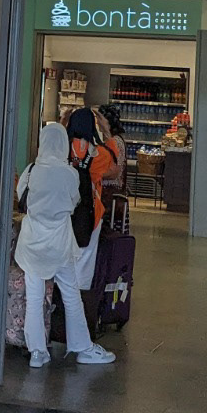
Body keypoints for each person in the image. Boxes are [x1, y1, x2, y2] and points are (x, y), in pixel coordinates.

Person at [14, 121, 117, 367]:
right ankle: (82, 348)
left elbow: (21, 198)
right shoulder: (70, 174)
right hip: (59, 244)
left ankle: (37, 352)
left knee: (34, 298)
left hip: (32, 244)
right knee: (71, 295)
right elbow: (73, 203)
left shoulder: (31, 171)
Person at [65, 106, 119, 292]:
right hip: (91, 213)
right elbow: (115, 165)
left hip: (63, 212)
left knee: (62, 259)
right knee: (84, 261)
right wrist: (106, 130)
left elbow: (51, 142)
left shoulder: (62, 149)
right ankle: (81, 299)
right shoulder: (99, 154)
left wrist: (63, 122)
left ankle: (58, 300)